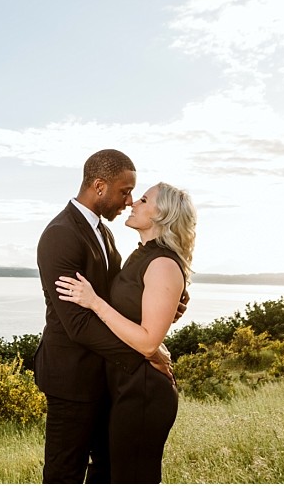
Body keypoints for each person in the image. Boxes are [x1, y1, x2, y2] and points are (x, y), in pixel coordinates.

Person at [34, 150, 186, 484]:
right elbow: (77, 322)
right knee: (64, 473)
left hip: (110, 378)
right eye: (124, 191)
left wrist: (172, 299)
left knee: (107, 471)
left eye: (136, 194)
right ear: (99, 186)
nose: (129, 200)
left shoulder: (105, 233)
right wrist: (146, 354)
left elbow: (118, 295)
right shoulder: (61, 234)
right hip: (72, 378)